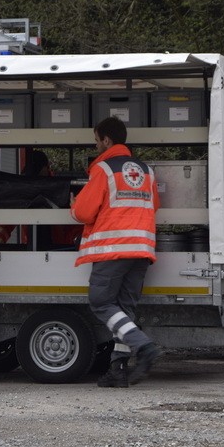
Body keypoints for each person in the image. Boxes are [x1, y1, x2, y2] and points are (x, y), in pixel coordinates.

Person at [71, 117, 162, 387]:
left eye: (97, 140)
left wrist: (74, 205)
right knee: (124, 310)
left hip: (114, 249)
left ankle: (143, 346)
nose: (96, 145)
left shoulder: (104, 169)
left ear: (107, 140)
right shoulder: (145, 170)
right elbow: (153, 205)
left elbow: (85, 212)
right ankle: (118, 370)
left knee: (101, 302)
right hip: (142, 250)